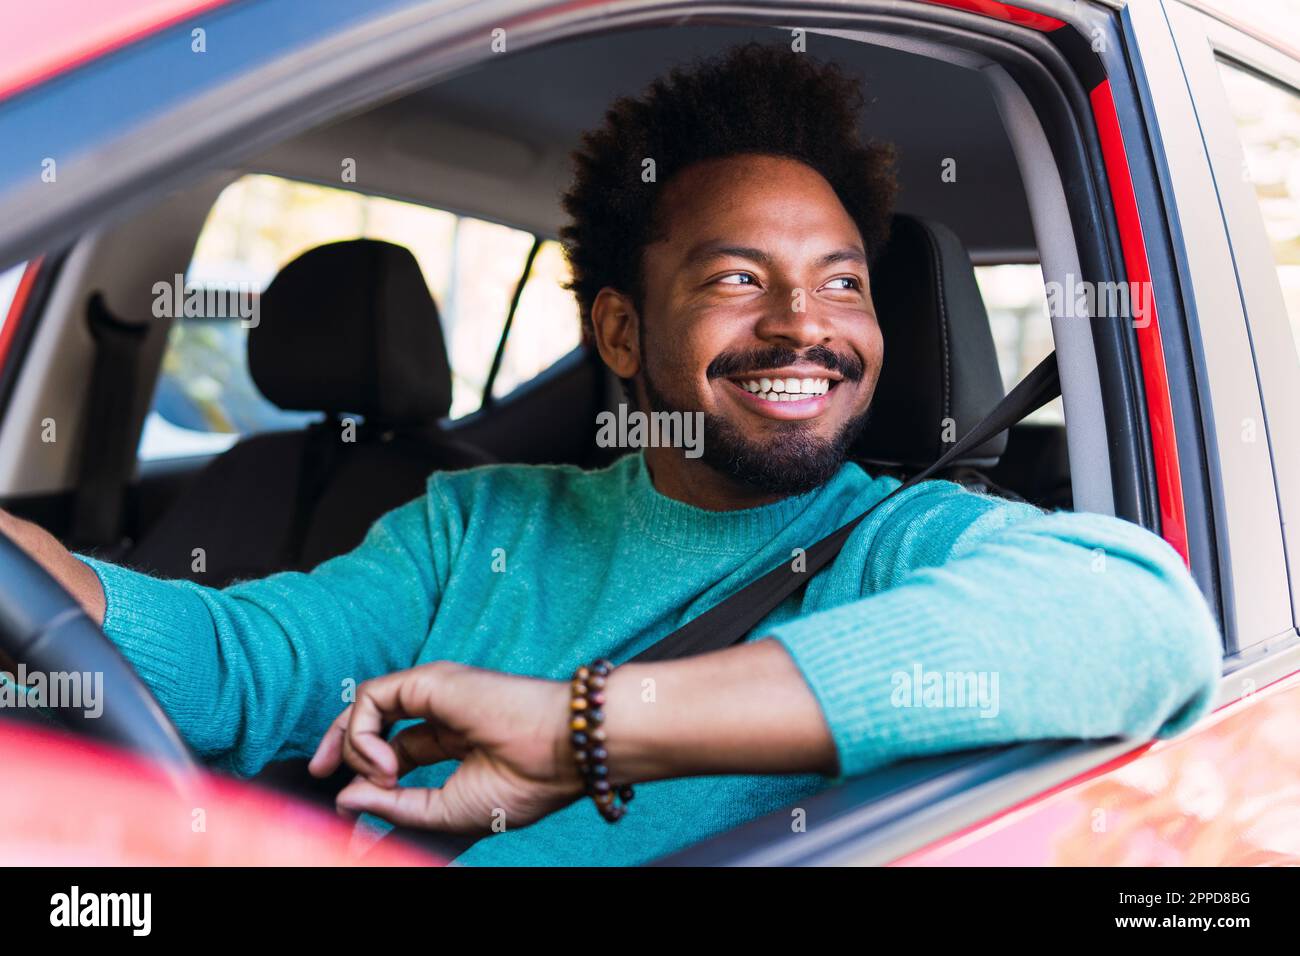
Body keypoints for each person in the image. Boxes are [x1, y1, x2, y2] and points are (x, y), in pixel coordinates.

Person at [0, 43, 1222, 865]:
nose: (804, 322)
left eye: (841, 282)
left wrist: (586, 727)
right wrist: (52, 590)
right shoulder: (473, 525)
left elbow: (1145, 618)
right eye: (740, 278)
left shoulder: (909, 543)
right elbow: (247, 665)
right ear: (623, 330)